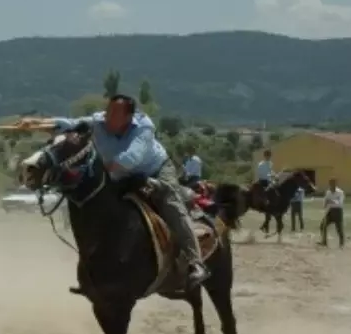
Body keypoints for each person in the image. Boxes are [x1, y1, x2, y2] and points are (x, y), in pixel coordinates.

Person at [16, 94, 209, 293]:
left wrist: (98, 167)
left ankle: (196, 263)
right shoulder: (100, 121)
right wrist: (35, 124)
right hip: (116, 173)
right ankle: (93, 273)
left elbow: (129, 159)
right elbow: (70, 124)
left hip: (154, 170)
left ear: (128, 116)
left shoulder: (144, 127)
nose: (107, 115)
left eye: (114, 113)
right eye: (108, 110)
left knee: (172, 204)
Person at [320, 178, 345, 247]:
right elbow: (325, 201)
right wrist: (324, 204)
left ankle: (341, 243)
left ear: (336, 184)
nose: (332, 185)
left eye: (333, 183)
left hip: (338, 211)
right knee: (322, 225)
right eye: (331, 183)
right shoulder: (328, 192)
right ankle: (324, 241)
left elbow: (340, 203)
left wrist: (331, 201)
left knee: (339, 228)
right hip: (330, 211)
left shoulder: (340, 192)